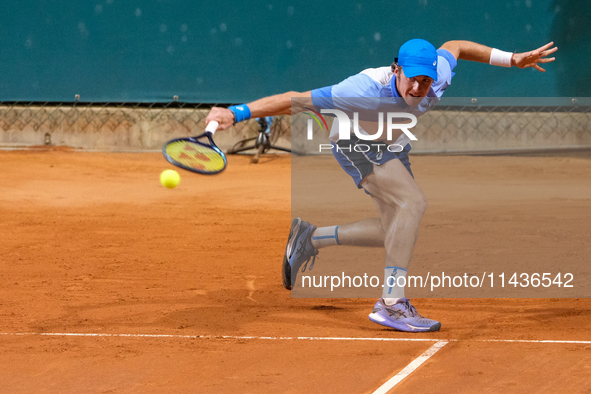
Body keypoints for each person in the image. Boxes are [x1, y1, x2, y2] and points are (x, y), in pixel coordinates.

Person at [205, 39, 557, 332]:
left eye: (427, 81)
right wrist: (235, 113)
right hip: (353, 140)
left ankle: (309, 238)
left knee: (396, 228)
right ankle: (391, 302)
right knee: (413, 203)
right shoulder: (358, 91)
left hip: (391, 142)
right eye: (414, 80)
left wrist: (512, 60)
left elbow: (457, 46)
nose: (420, 88)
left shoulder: (437, 75)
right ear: (396, 69)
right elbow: (297, 100)